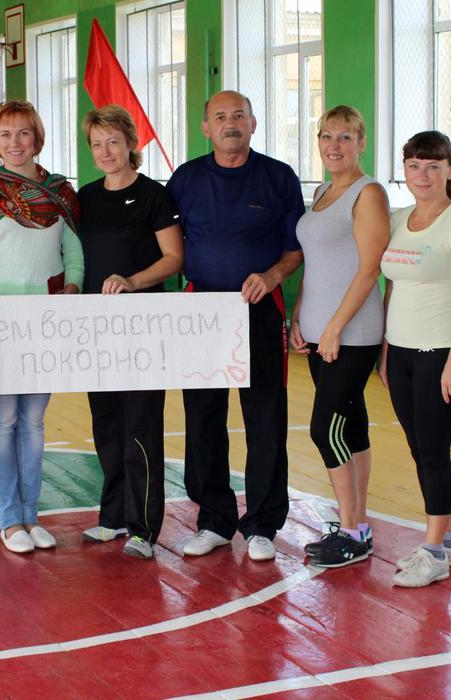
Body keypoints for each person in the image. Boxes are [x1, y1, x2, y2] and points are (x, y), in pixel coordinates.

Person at [166, 90, 305, 562]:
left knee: (265, 418)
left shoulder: (278, 177)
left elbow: (294, 250)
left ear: (253, 123)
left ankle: (262, 525)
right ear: (206, 128)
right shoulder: (185, 179)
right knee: (203, 417)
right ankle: (214, 521)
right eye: (221, 117)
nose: (231, 124)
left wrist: (272, 276)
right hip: (201, 312)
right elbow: (166, 244)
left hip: (259, 310)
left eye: (239, 115)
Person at [0, 100, 83, 555]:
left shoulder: (60, 192)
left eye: (24, 133)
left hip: (43, 321)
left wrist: (73, 286)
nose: (15, 142)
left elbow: (73, 254)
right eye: (6, 134)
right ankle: (8, 521)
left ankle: (30, 516)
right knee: (1, 419)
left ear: (37, 138)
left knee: (34, 422)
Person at [379, 130, 451, 588]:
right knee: (418, 448)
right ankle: (446, 540)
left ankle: (433, 552)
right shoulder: (398, 219)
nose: (422, 175)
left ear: (449, 170)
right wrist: (386, 350)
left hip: (440, 355)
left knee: (433, 451)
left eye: (432, 166)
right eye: (413, 166)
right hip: (401, 354)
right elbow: (392, 285)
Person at [77, 105, 183, 560]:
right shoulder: (84, 198)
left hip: (142, 327)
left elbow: (173, 258)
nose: (106, 152)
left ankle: (143, 528)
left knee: (141, 424)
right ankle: (114, 516)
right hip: (96, 329)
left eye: (113, 142)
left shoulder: (154, 196)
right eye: (97, 144)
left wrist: (132, 282)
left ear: (130, 144)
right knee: (106, 422)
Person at [288, 106, 390, 568]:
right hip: (319, 331)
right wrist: (298, 316)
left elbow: (370, 270)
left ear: (361, 143)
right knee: (351, 426)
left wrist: (333, 328)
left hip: (352, 334)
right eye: (326, 136)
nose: (334, 145)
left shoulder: (368, 194)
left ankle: (351, 532)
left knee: (324, 429)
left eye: (345, 137)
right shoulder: (322, 192)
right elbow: (317, 264)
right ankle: (358, 525)